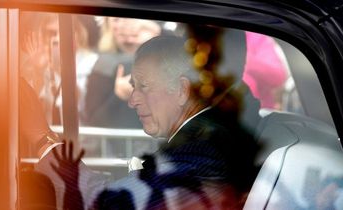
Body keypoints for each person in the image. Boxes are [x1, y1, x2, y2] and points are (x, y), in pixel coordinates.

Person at [33, 34, 259, 210]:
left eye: (143, 86)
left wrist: (40, 138)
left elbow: (107, 203)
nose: (132, 101)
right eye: (133, 87)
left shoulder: (202, 151)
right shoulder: (203, 139)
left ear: (182, 90)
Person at [82, 17, 161, 128]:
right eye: (117, 20)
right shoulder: (103, 64)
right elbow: (93, 121)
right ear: (109, 25)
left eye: (131, 18)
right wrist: (119, 96)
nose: (125, 25)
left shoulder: (162, 58)